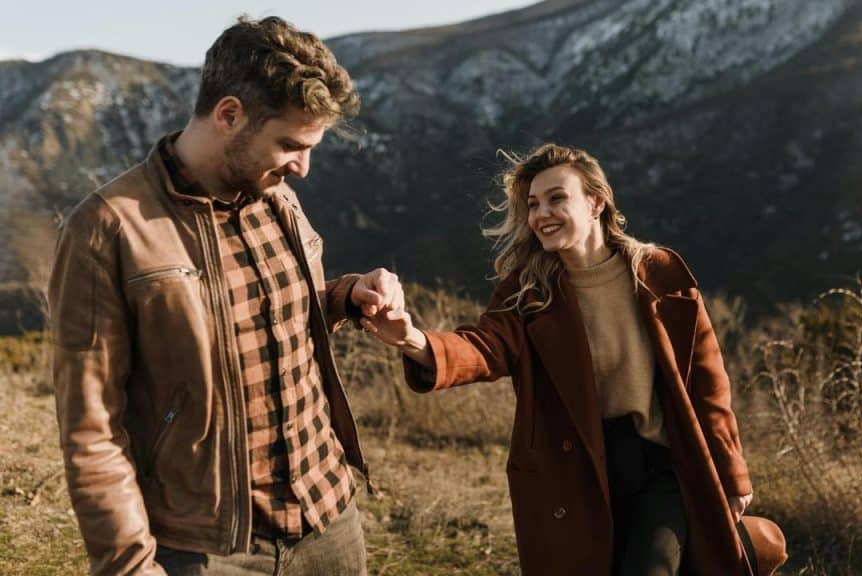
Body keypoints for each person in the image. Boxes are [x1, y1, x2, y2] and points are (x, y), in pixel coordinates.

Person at [49, 16, 401, 575]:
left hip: (331, 524)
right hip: (208, 550)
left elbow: (264, 313)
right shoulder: (106, 229)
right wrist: (129, 565)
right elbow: (91, 429)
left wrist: (343, 297)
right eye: (290, 145)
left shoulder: (276, 197)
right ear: (229, 114)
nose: (303, 168)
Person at [363, 143, 787, 575]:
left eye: (556, 198)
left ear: (596, 202)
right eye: (533, 204)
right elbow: (485, 347)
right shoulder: (528, 291)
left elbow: (708, 383)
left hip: (664, 464)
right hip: (577, 470)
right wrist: (413, 340)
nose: (541, 214)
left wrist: (733, 474)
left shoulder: (658, 274)